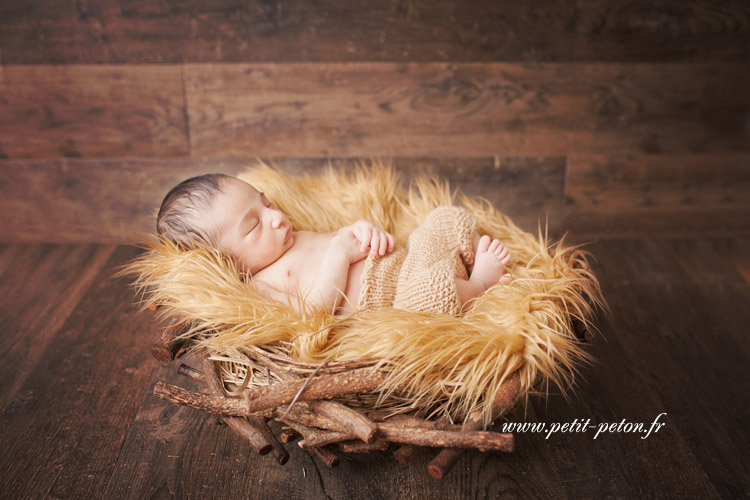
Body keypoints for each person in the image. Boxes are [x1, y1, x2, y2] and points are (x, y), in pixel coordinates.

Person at [157, 173, 511, 316]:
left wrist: (363, 229)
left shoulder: (292, 238)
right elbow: (312, 314)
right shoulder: (262, 286)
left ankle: (464, 259)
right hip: (397, 300)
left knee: (441, 218)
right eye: (254, 225)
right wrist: (339, 257)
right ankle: (479, 283)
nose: (275, 217)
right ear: (226, 263)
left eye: (266, 203)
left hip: (409, 258)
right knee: (426, 294)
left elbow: (343, 236)